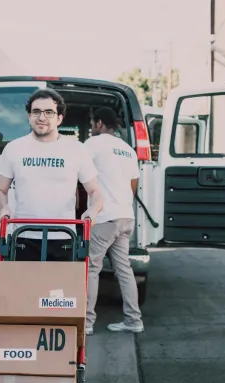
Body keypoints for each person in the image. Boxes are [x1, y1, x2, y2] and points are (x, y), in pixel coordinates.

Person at [0, 88, 103, 261]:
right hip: (23, 236)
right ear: (29, 116)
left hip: (64, 237)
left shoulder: (77, 150)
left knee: (60, 281)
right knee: (23, 280)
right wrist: (3, 208)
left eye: (49, 112)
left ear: (59, 118)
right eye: (36, 112)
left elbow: (95, 191)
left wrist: (93, 210)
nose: (41, 117)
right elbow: (0, 190)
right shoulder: (14, 148)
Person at [83, 106, 144, 334]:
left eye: (92, 123)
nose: (91, 127)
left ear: (99, 123)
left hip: (104, 217)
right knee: (124, 270)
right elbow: (133, 185)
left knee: (91, 268)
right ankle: (133, 320)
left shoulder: (93, 144)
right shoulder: (128, 149)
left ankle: (86, 323)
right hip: (125, 216)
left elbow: (79, 173)